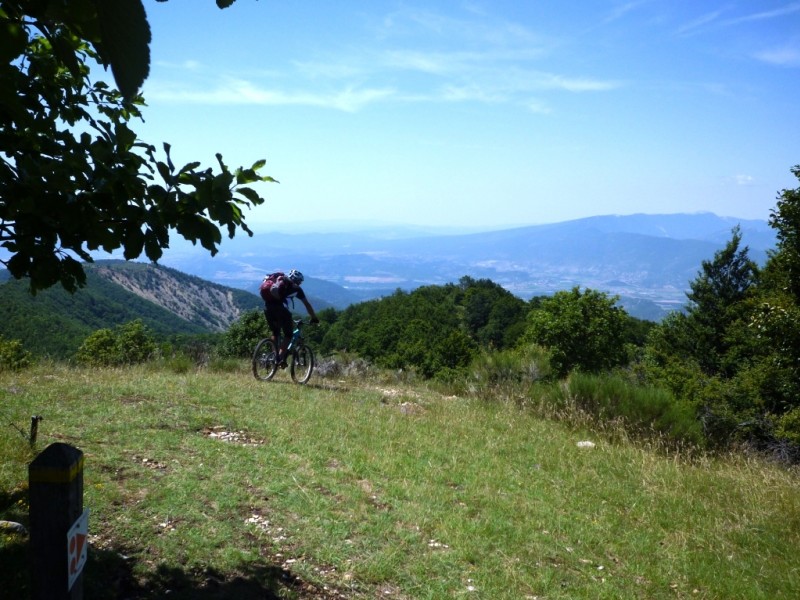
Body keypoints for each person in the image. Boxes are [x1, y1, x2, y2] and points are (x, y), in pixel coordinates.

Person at [260, 269, 319, 367]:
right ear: (298, 281)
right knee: (288, 335)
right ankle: (279, 358)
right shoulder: (296, 289)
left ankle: (273, 356)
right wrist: (314, 317)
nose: (300, 284)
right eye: (300, 281)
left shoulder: (279, 281)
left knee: (275, 332)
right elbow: (307, 305)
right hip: (281, 310)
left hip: (267, 307)